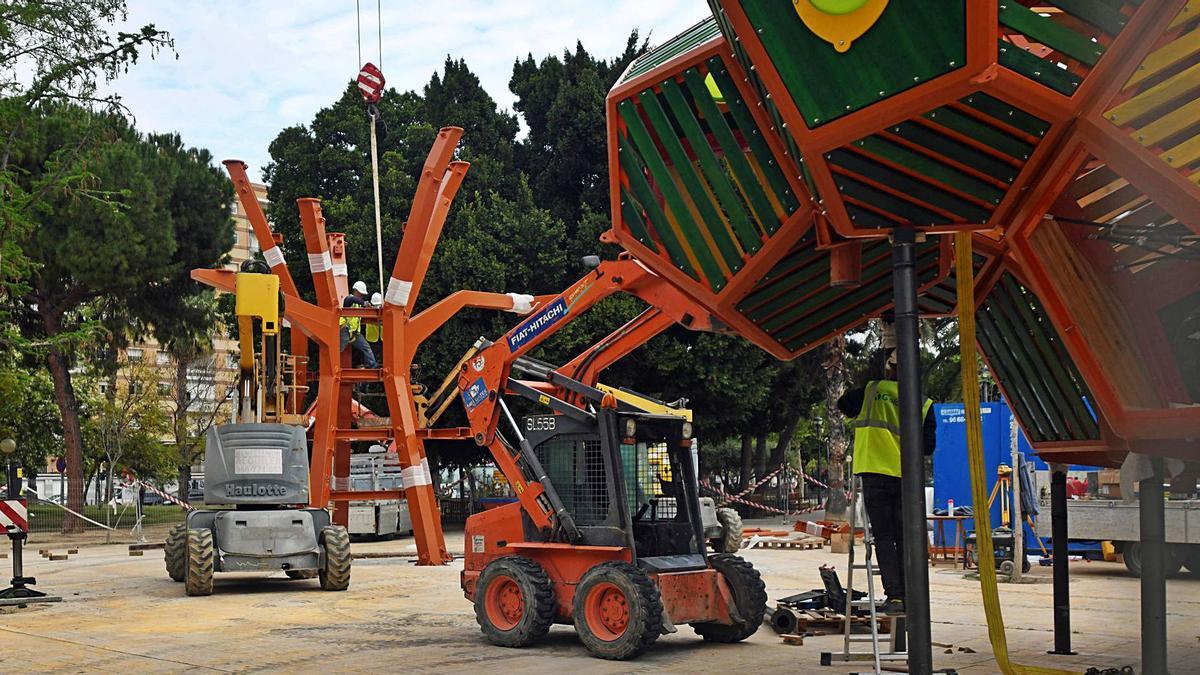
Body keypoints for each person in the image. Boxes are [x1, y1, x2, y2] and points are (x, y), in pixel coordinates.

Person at [837, 348, 935, 616]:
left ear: (890, 369)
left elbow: (842, 404)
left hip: (874, 475)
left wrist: (874, 381)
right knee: (905, 538)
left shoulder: (870, 392)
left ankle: (894, 597)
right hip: (906, 479)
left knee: (883, 538)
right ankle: (911, 592)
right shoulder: (924, 403)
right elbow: (928, 447)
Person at [340, 280, 379, 368]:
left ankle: (373, 366)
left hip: (355, 334)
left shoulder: (358, 304)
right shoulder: (348, 300)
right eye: (361, 294)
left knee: (366, 348)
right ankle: (329, 364)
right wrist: (364, 303)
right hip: (345, 330)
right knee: (338, 349)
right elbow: (351, 299)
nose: (361, 296)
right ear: (355, 291)